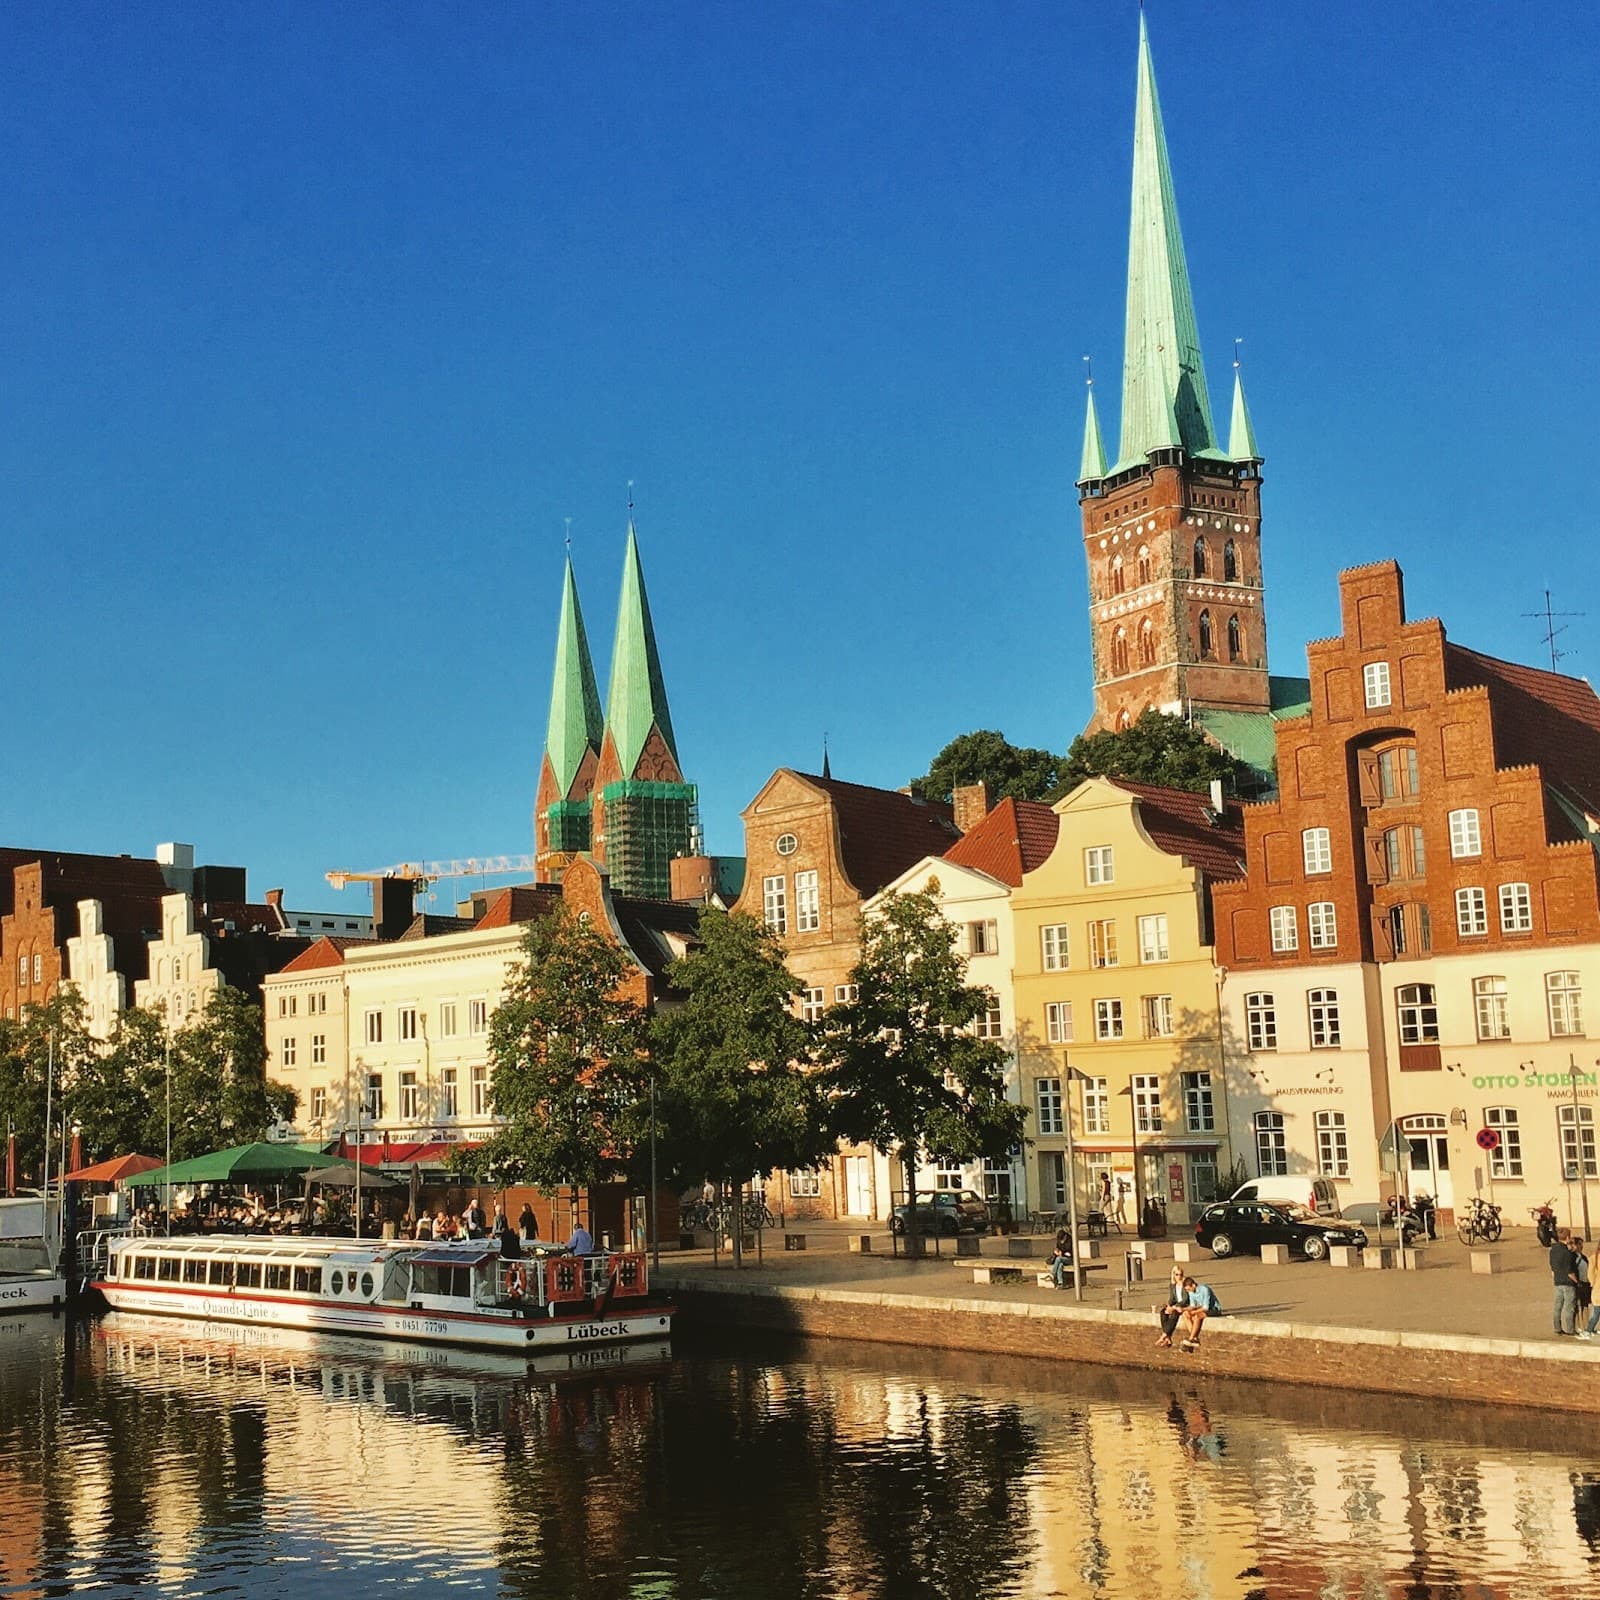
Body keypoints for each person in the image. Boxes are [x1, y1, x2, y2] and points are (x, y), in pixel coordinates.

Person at [1178, 1277, 1221, 1351]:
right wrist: (1183, 1309)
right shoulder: (1191, 1292)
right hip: (1202, 1308)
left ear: (1193, 1285)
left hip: (1213, 1309)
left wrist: (1194, 1312)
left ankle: (1191, 1339)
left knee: (1197, 1317)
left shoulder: (1204, 1289)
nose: (1189, 1291)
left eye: (1189, 1289)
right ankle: (1195, 1338)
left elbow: (1206, 1308)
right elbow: (1192, 1306)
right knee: (1185, 1314)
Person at [1552, 1226, 1581, 1336]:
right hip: (1568, 1283)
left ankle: (1557, 1327)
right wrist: (1577, 1282)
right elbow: (1570, 1271)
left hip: (1558, 1281)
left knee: (1558, 1306)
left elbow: (1552, 1267)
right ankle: (1570, 1329)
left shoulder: (1553, 1250)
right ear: (1568, 1237)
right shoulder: (1567, 1253)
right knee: (1569, 1307)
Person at [1154, 1267, 1189, 1348]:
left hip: (1184, 1305)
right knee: (1163, 1312)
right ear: (1174, 1276)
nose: (1179, 1277)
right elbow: (1172, 1298)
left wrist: (1174, 1307)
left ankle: (1164, 1335)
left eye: (1181, 1275)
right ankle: (1168, 1337)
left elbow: (1185, 1299)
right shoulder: (1173, 1285)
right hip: (1175, 1304)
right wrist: (1169, 1305)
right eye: (1177, 1275)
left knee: (1174, 1314)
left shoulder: (1185, 1285)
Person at [1574, 1237, 1593, 1339]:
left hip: (1586, 1283)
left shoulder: (1584, 1257)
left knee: (1585, 1305)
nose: (1582, 1246)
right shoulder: (1574, 1258)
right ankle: (1579, 1326)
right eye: (1580, 1244)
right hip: (1579, 1284)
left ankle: (1587, 1326)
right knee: (1579, 1306)